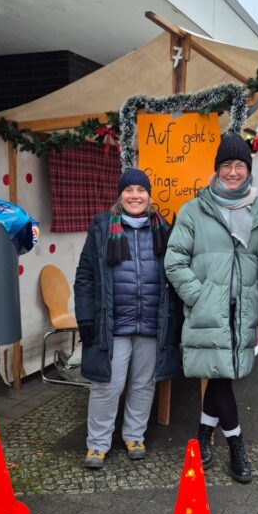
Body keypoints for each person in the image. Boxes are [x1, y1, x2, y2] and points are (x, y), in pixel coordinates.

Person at [165, 132, 258, 484]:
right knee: (222, 378)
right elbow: (174, 261)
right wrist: (199, 297)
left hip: (242, 312)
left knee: (222, 374)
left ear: (248, 170)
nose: (234, 172)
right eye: (227, 165)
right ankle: (236, 444)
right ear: (217, 169)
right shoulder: (194, 210)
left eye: (240, 165)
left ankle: (203, 437)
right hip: (210, 310)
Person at [74, 168, 178, 469]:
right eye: (129, 190)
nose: (135, 196)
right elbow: (85, 277)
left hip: (150, 323)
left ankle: (134, 435)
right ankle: (97, 444)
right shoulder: (102, 227)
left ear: (149, 195)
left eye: (141, 190)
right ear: (120, 195)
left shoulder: (164, 229)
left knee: (144, 384)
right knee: (108, 384)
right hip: (112, 323)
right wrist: (86, 319)